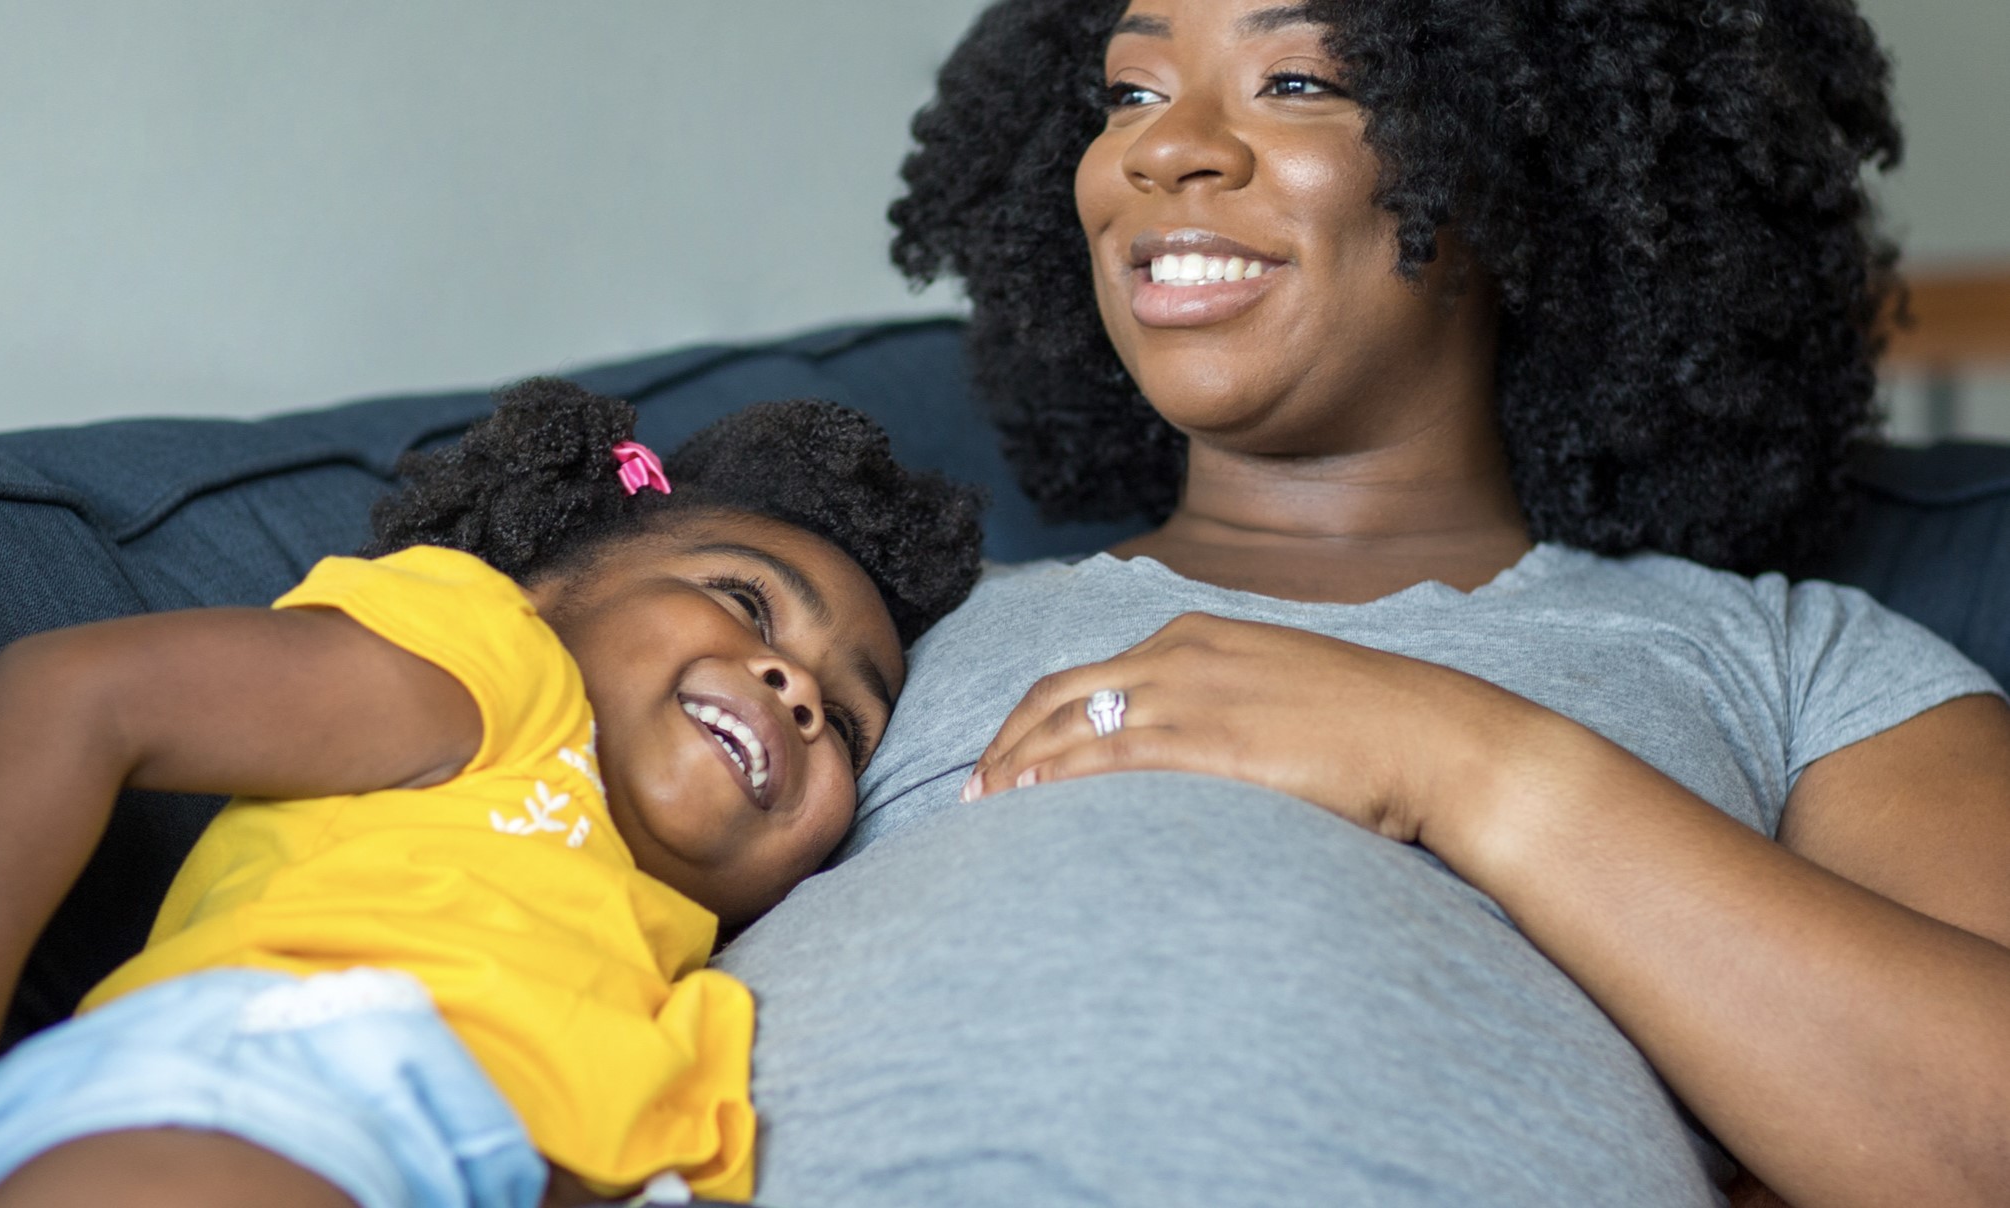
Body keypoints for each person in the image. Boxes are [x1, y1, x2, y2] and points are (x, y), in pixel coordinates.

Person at [707, 2, 2010, 1206]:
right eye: (1127, 93)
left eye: (1295, 79)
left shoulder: (1798, 662)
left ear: (1516, 159)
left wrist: (1462, 761)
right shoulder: (872, 614)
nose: (1169, 150)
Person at [0, 380, 984, 1208]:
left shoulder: (683, 984)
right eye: (745, 601)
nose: (797, 687)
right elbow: (74, 693)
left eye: (847, 724)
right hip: (268, 1085)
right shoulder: (500, 678)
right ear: (553, 586)